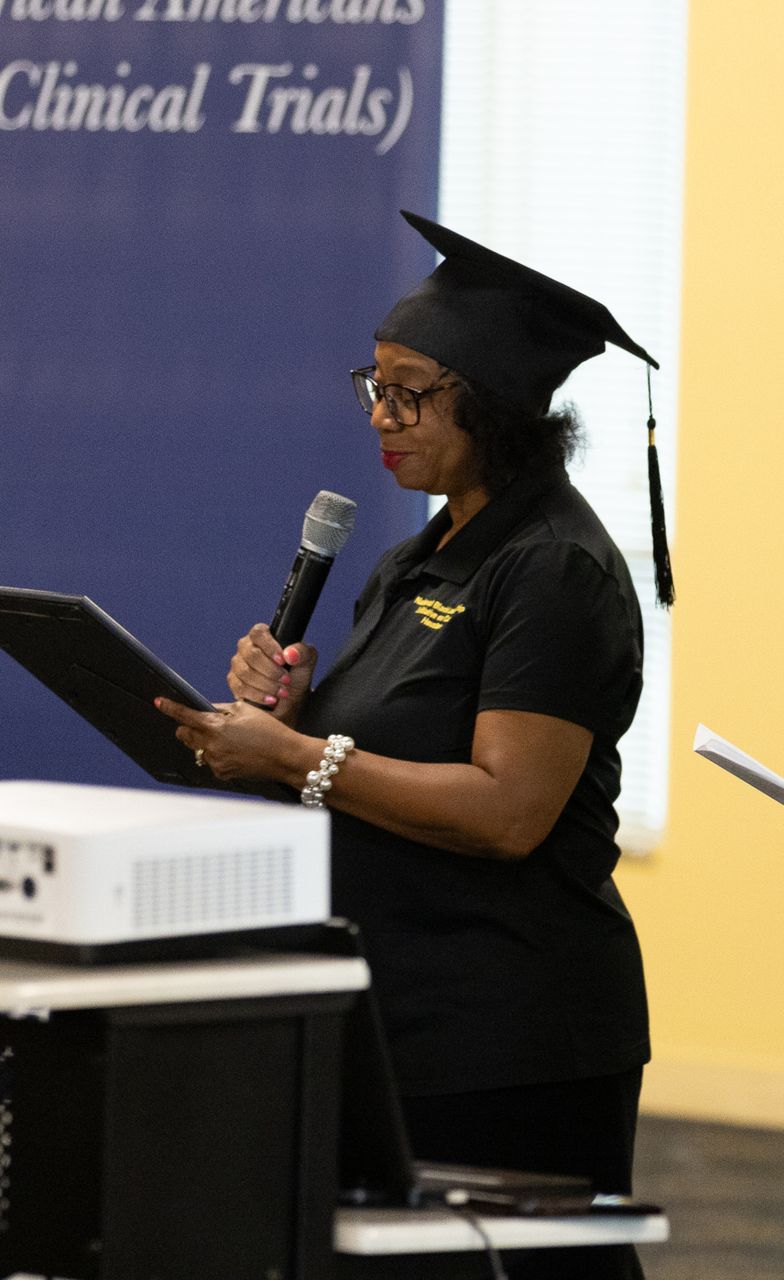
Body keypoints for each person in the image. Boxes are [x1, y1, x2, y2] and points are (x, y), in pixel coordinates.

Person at [156, 211, 664, 1280]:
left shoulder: (552, 569)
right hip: (392, 1012)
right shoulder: (413, 557)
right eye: (373, 385)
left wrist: (299, 760)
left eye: (411, 391)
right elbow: (385, 755)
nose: (382, 415)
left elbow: (508, 808)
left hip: (513, 1038)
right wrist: (293, 721)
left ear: (497, 405)